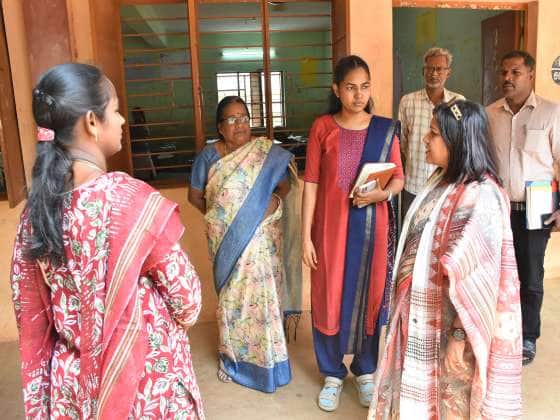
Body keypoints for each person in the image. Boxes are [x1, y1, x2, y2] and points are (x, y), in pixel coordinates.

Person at [10, 63, 204, 419]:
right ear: (91, 122)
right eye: (115, 110)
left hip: (73, 387)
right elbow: (187, 302)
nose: (123, 120)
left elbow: (32, 312)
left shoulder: (34, 212)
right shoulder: (131, 202)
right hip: (142, 386)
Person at [369, 100, 522, 420]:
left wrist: (458, 337)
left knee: (451, 398)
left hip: (452, 326)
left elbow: (479, 275)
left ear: (457, 141)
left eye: (434, 133)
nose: (425, 139)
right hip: (421, 314)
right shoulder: (442, 180)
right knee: (422, 392)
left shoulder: (481, 195)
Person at [302, 55, 404, 412]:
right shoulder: (322, 128)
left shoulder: (385, 130)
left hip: (372, 228)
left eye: (364, 87)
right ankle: (332, 374)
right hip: (329, 231)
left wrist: (382, 195)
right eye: (350, 87)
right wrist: (305, 237)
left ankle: (365, 370)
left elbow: (398, 178)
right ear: (336, 90)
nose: (359, 95)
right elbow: (311, 184)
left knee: (370, 293)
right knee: (328, 294)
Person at [188, 96, 301, 393]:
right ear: (220, 127)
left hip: (263, 239)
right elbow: (195, 196)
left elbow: (284, 186)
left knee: (264, 299)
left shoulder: (266, 154)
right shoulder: (208, 157)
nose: (240, 124)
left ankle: (271, 361)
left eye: (244, 118)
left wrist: (270, 202)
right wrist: (224, 218)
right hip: (227, 240)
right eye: (232, 119)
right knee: (233, 301)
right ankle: (232, 359)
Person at [486, 50, 560, 365]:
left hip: (536, 210)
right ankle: (500, 329)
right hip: (498, 208)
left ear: (530, 74)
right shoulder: (490, 113)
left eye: (515, 72)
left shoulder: (552, 113)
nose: (507, 78)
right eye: (503, 72)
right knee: (498, 272)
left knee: (530, 275)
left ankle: (527, 336)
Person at [398, 47, 464, 219]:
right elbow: (402, 142)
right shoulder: (407, 101)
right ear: (423, 71)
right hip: (414, 184)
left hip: (446, 185)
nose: (434, 73)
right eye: (430, 68)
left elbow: (460, 143)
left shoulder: (458, 102)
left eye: (439, 69)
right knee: (411, 230)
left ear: (448, 72)